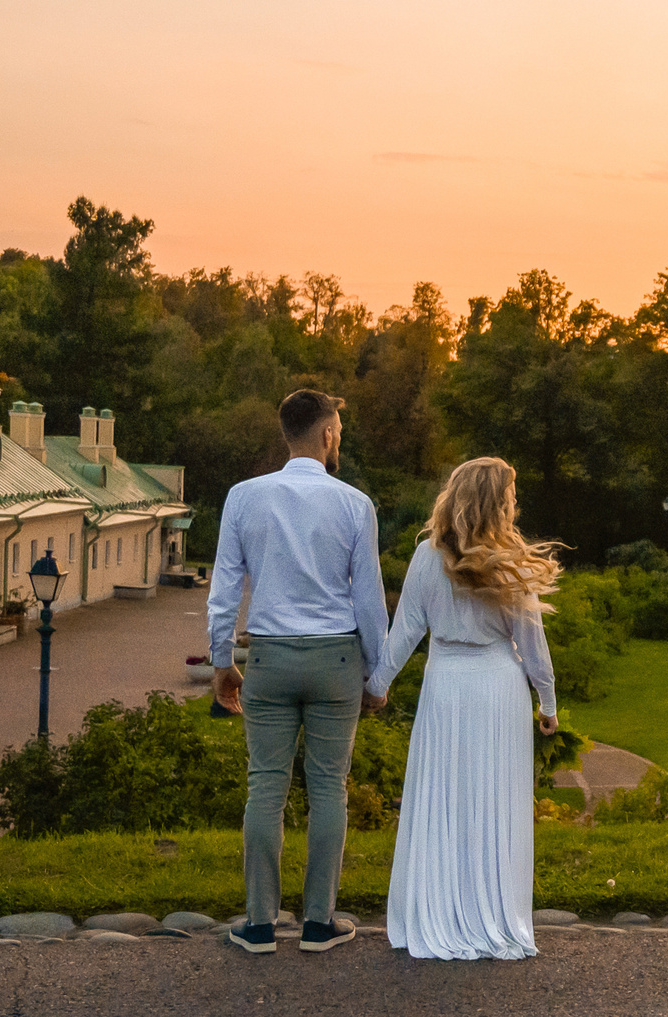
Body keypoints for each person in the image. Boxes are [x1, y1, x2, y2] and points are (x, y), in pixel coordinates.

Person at [207, 389, 390, 956]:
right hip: (336, 658)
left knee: (266, 787)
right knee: (328, 788)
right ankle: (318, 922)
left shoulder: (244, 497)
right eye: (340, 430)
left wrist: (222, 662)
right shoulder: (355, 504)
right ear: (328, 434)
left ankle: (259, 924)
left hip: (270, 657)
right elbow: (369, 600)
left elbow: (223, 591)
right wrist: (376, 674)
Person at [369, 456, 562, 961]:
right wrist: (548, 704)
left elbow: (406, 629)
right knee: (493, 799)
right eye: (511, 497)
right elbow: (533, 646)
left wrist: (377, 684)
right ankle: (492, 913)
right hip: (499, 687)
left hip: (446, 686)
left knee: (444, 795)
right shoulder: (512, 562)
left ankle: (438, 909)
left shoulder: (425, 558)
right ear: (499, 503)